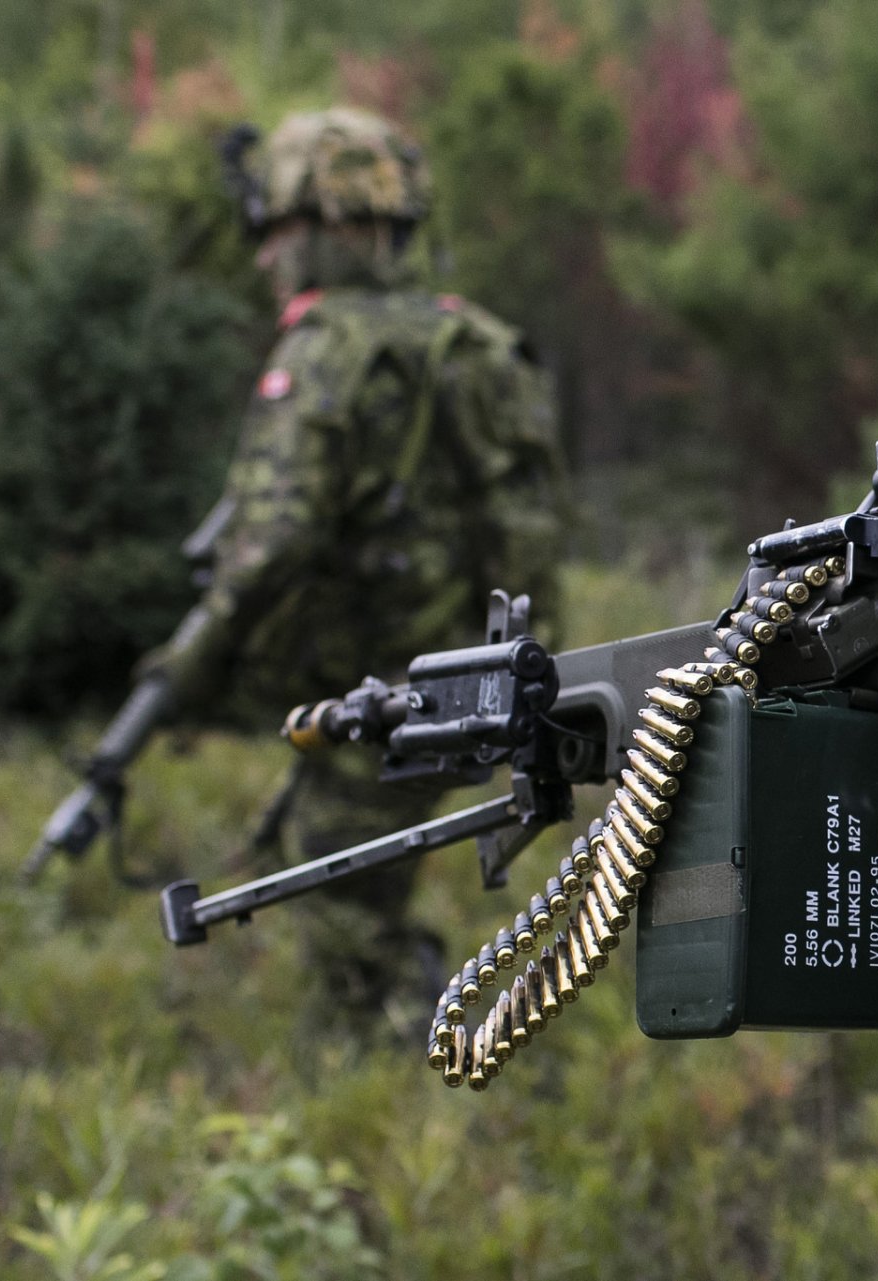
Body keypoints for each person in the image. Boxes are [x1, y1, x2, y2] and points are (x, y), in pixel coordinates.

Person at [142, 107, 568, 1032]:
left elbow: (269, 545)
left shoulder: (323, 350)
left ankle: (387, 1065)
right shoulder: (481, 342)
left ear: (328, 228)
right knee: (363, 864)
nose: (264, 259)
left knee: (340, 894)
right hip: (483, 686)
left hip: (373, 693)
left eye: (277, 235)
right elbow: (533, 528)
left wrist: (182, 671)